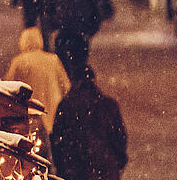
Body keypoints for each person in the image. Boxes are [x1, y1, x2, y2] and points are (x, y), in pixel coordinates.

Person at [48, 33, 128, 180]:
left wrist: (62, 168)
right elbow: (119, 138)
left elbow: (57, 140)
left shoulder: (66, 106)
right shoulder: (108, 105)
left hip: (75, 171)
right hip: (105, 170)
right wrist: (118, 161)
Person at [3, 26, 71, 136]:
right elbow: (66, 86)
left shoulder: (19, 62)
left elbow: (9, 87)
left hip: (31, 113)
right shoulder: (53, 60)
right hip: (53, 112)